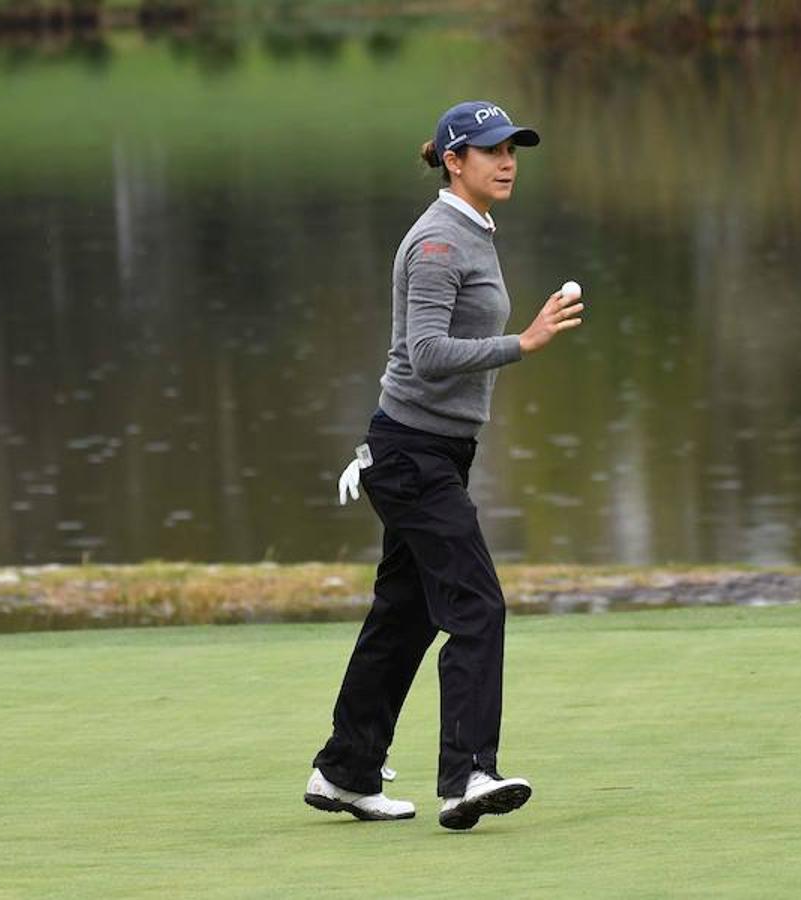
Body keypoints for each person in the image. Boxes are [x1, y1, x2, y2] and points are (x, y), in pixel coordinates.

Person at [303, 100, 584, 830]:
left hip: (436, 453)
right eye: (490, 149)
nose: (507, 160)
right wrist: (521, 344)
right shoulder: (437, 243)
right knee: (475, 604)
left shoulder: (474, 231)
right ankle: (466, 776)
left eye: (512, 148)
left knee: (405, 614)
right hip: (410, 456)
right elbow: (426, 356)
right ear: (454, 160)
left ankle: (345, 771)